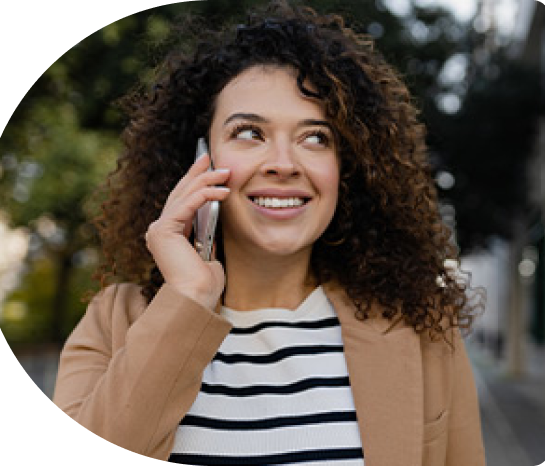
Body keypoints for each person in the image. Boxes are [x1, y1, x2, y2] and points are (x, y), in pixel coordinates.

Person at [52, 1, 486, 464]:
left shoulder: (421, 329)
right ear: (200, 158)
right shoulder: (113, 319)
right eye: (249, 133)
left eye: (316, 137)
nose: (283, 163)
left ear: (347, 168)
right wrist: (189, 300)